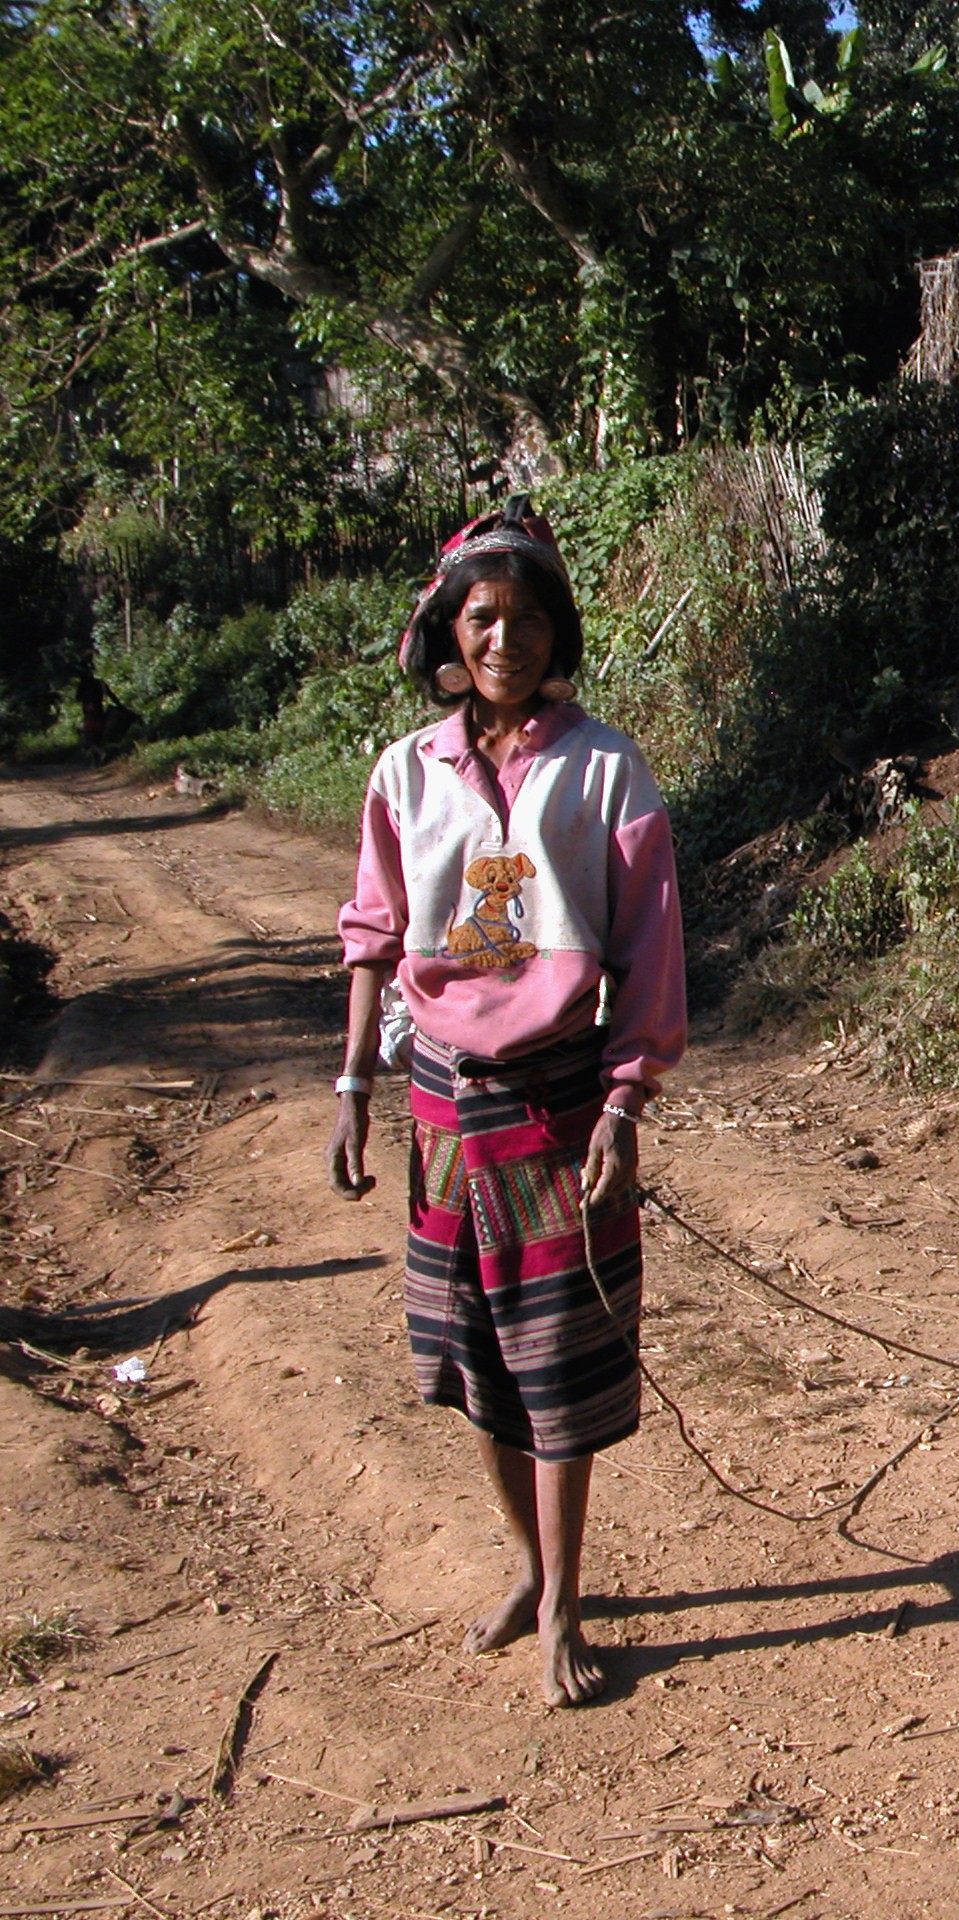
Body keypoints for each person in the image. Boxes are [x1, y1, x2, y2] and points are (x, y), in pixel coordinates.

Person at [328, 498, 685, 1707]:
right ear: (449, 627)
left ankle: (568, 1611)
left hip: (560, 1103)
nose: (505, 638)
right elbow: (373, 931)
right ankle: (531, 1570)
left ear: (555, 634)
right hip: (440, 1111)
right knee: (475, 1355)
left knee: (559, 1361)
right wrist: (352, 1085)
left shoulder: (604, 770)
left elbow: (648, 952)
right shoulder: (403, 774)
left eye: (529, 618)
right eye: (484, 616)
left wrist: (627, 1108)